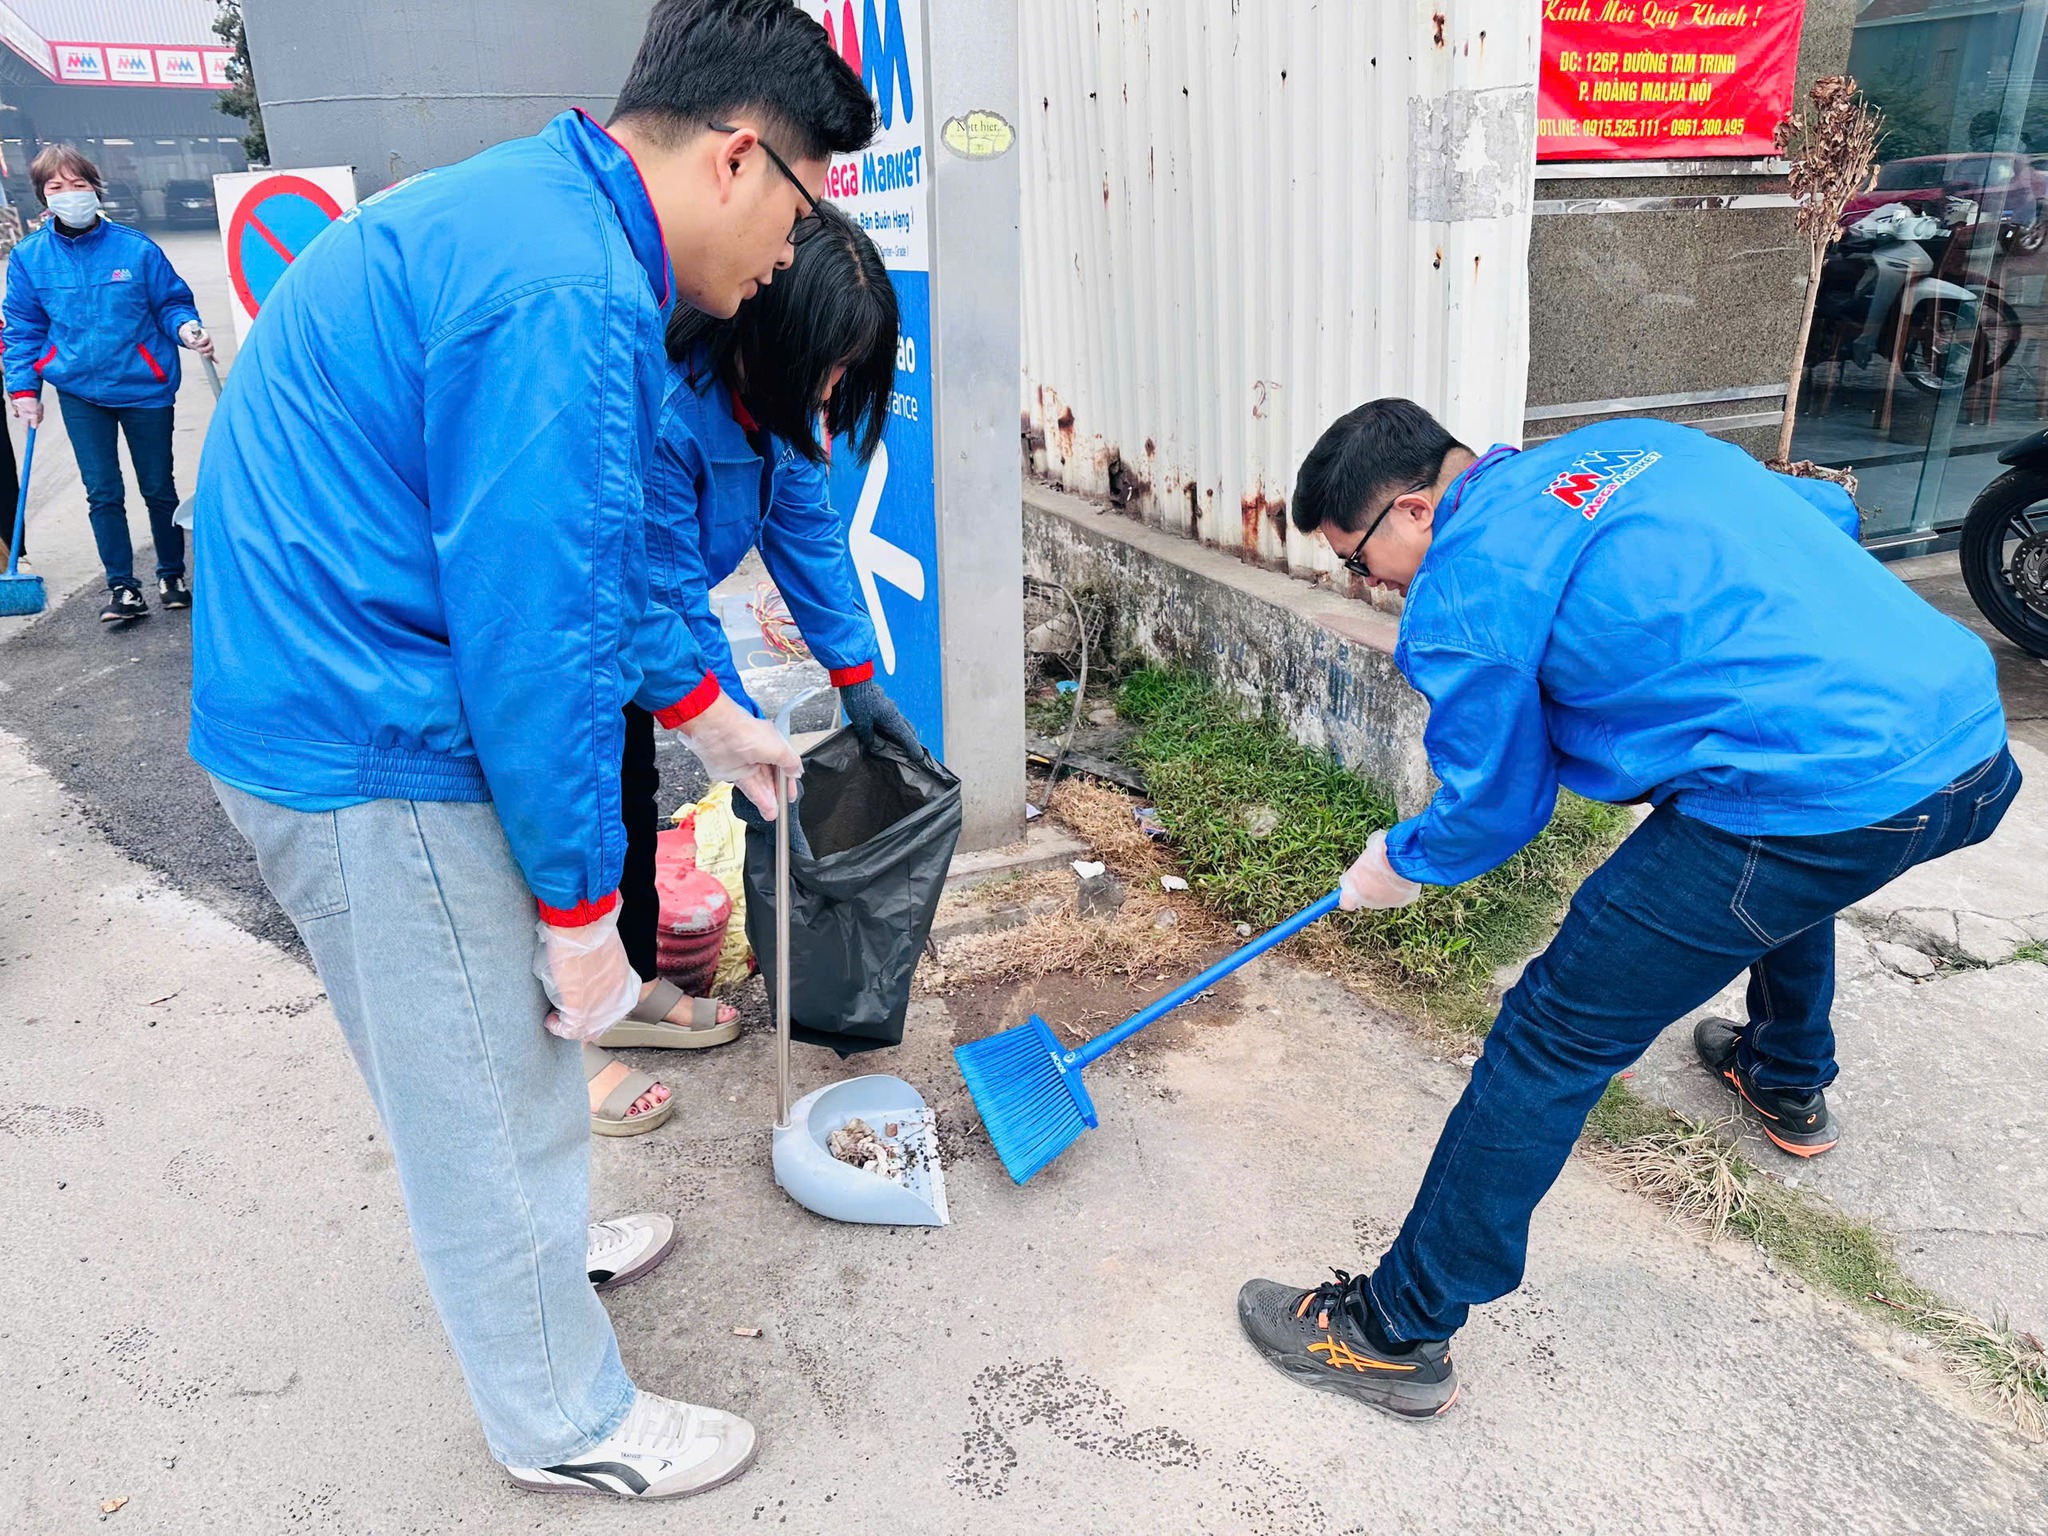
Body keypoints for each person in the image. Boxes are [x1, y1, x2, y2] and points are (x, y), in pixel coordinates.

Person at [189, 0, 875, 1501]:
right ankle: (563, 1419)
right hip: (366, 721)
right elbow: (534, 628)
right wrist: (579, 906)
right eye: (799, 214)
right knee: (488, 1080)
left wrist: (706, 715)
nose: (784, 261)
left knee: (481, 1050)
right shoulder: (568, 290)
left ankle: (541, 1253)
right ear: (739, 158)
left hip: (335, 681)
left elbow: (606, 551)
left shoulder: (550, 223)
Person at [1237, 401, 2017, 1422]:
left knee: (1548, 1036)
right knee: (1784, 847)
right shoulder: (1631, 445)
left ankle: (1393, 1332)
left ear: (1416, 509)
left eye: (1357, 559)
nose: (1367, 582)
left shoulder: (1464, 589)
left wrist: (1402, 861)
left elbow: (1496, 804)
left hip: (1825, 791)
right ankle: (1783, 1074)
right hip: (1964, 741)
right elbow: (1823, 518)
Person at [593, 201, 914, 1106]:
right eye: (827, 363)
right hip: (577, 624)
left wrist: (858, 680)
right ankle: (562, 1050)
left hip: (641, 623)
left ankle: (624, 987)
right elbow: (667, 598)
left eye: (848, 367)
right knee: (577, 802)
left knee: (631, 789)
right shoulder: (665, 410)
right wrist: (732, 733)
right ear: (769, 328)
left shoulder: (783, 405)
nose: (833, 385)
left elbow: (806, 533)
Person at [2, 144, 214, 621]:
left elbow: (170, 303)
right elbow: (23, 329)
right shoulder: (30, 257)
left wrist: (186, 328)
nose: (70, 194)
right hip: (80, 391)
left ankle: (172, 574)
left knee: (158, 486)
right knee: (102, 492)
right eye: (57, 186)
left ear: (95, 189)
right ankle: (123, 587)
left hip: (145, 387)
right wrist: (24, 391)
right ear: (43, 196)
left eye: (78, 184)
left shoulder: (136, 249)